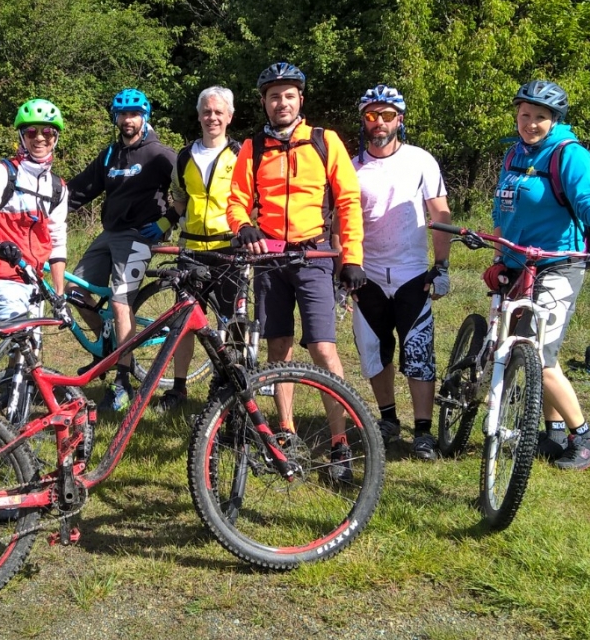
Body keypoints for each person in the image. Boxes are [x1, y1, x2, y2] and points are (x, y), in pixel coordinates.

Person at [487, 80, 590, 470]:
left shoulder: (569, 154)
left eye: (540, 117)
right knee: (522, 348)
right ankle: (553, 432)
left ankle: (584, 437)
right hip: (519, 262)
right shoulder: (514, 154)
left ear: (555, 120)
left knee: (538, 352)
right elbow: (503, 210)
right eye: (524, 115)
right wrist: (500, 259)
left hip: (559, 263)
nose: (530, 123)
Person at [225, 62, 364, 478]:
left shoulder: (324, 141)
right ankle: (285, 431)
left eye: (288, 95)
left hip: (313, 256)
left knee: (323, 349)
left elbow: (348, 201)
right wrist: (243, 225)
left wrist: (351, 258)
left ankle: (339, 441)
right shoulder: (253, 147)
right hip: (269, 260)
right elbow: (236, 199)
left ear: (300, 99)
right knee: (278, 348)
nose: (281, 103)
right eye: (274, 96)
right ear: (264, 102)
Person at [347, 85, 453, 460]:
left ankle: (422, 431)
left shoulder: (420, 160)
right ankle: (388, 419)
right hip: (368, 273)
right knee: (373, 351)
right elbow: (340, 221)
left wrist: (441, 266)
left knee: (418, 352)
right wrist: (342, 268)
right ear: (363, 120)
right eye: (372, 115)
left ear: (400, 120)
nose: (379, 122)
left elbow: (440, 214)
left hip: (411, 273)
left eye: (387, 115)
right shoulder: (351, 166)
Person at [65, 88, 177, 412]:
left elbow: (189, 187)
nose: (128, 120)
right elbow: (80, 189)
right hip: (110, 233)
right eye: (123, 114)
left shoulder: (159, 154)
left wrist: (167, 221)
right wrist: (47, 210)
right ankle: (109, 351)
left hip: (141, 236)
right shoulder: (110, 155)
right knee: (74, 292)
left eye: (134, 114)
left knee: (119, 301)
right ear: (116, 117)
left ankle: (122, 382)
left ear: (145, 117)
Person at [159, 86, 242, 413]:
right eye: (207, 111)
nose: (212, 117)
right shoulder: (184, 156)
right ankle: (178, 388)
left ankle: (232, 385)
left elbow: (249, 199)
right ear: (199, 115)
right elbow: (179, 197)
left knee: (233, 323)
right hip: (191, 249)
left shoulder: (240, 155)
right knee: (184, 323)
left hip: (228, 249)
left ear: (229, 116)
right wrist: (166, 225)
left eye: (219, 112)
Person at [0, 98, 71, 324]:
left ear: (55, 137)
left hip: (33, 282)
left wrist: (59, 295)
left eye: (47, 132)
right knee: (19, 335)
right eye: (32, 131)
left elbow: (57, 240)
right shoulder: (2, 172)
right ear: (22, 136)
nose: (40, 137)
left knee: (31, 344)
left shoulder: (57, 187)